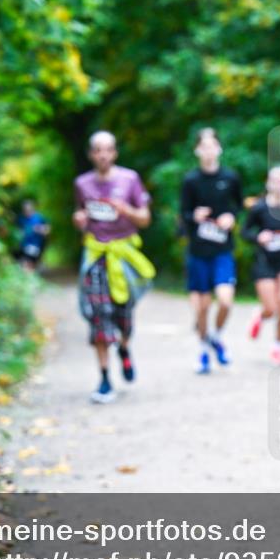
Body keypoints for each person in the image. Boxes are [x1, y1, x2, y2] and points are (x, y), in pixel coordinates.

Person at [73, 130, 156, 403]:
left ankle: (124, 347)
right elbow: (81, 215)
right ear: (91, 154)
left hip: (124, 255)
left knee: (123, 316)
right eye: (97, 150)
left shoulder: (129, 179)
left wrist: (126, 210)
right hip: (96, 255)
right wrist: (80, 220)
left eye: (108, 149)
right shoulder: (82, 184)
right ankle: (105, 378)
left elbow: (145, 218)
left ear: (115, 153)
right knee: (99, 316)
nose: (103, 154)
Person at [180, 128, 243, 374]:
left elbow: (238, 205)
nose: (208, 151)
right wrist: (193, 216)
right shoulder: (191, 180)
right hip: (198, 251)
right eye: (203, 146)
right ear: (197, 150)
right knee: (203, 306)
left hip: (222, 250)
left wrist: (231, 217)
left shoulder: (230, 177)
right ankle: (204, 351)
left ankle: (216, 336)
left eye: (212, 146)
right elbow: (183, 214)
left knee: (226, 301)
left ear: (219, 149)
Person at [242, 166, 280, 366]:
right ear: (268, 183)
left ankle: (278, 347)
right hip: (265, 263)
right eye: (275, 179)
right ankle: (260, 315)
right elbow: (244, 232)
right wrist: (258, 237)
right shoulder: (259, 207)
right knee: (272, 308)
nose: (279, 182)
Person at [17, 199, 50, 272]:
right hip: (23, 246)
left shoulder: (39, 218)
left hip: (35, 245)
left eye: (28, 209)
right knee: (26, 265)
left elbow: (47, 230)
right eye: (25, 209)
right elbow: (17, 231)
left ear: (32, 208)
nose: (27, 211)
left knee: (29, 265)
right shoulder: (21, 219)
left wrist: (39, 229)